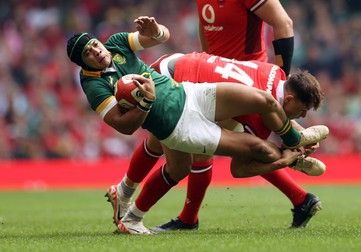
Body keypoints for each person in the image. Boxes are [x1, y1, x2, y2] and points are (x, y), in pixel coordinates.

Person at [67, 16, 328, 234]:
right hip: (179, 90)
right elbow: (122, 125)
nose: (96, 51)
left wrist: (156, 30)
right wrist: (146, 103)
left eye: (94, 45)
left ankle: (129, 198)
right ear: (82, 61)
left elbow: (160, 36)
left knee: (258, 113)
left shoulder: (115, 44)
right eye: (88, 53)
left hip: (189, 89)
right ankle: (146, 207)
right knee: (221, 154)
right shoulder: (93, 85)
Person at [149, 0, 319, 231]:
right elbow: (203, 25)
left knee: (219, 146)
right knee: (241, 145)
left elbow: (284, 23)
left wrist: (282, 81)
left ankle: (162, 214)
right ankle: (299, 193)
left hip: (245, 78)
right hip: (224, 74)